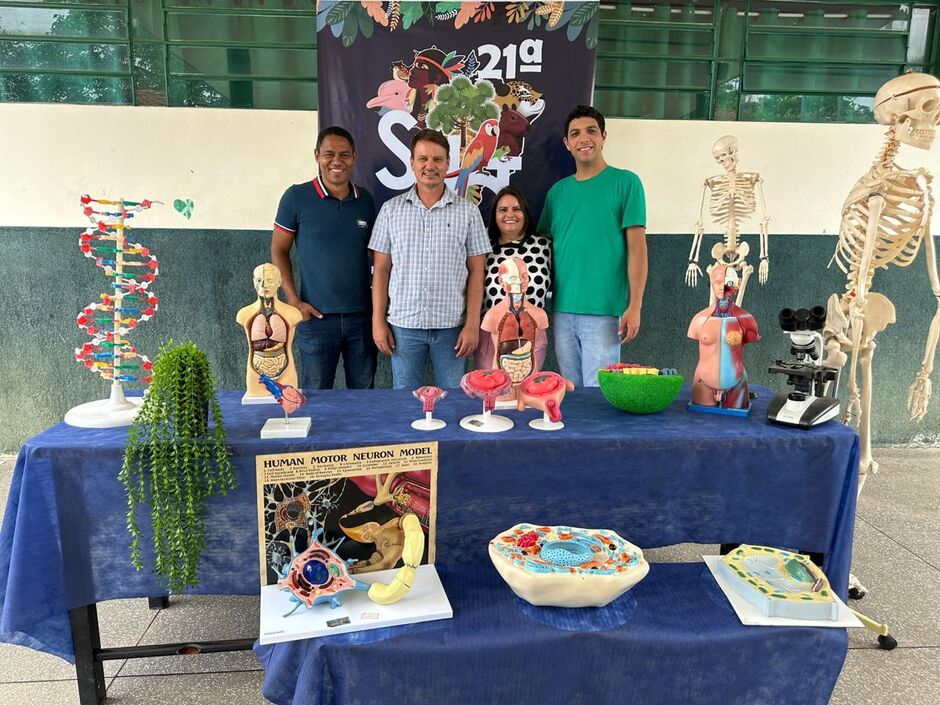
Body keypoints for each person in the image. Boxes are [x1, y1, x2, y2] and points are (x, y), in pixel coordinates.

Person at [369, 128, 491, 389]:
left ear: (448, 163)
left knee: (453, 402)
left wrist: (472, 324)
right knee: (404, 402)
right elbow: (380, 271)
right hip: (403, 326)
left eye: (437, 159)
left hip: (452, 329)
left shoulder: (468, 213)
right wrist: (378, 322)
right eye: (423, 159)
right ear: (412, 163)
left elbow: (477, 272)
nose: (430, 166)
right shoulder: (391, 211)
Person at [538, 105, 648, 387]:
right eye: (575, 134)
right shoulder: (557, 193)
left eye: (591, 131)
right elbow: (541, 249)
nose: (583, 139)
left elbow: (637, 248)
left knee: (599, 396)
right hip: (562, 310)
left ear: (603, 136)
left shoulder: (626, 183)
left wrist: (634, 305)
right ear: (567, 143)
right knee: (570, 393)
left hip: (604, 311)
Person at [271, 126, 377, 390]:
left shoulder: (365, 200)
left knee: (363, 398)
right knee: (316, 397)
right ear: (317, 155)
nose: (336, 161)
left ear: (354, 157)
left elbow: (378, 256)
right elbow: (278, 250)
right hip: (316, 320)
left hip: (362, 318)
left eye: (344, 155)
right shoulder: (296, 197)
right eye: (329, 154)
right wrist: (294, 301)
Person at [474, 186, 552, 371]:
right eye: (503, 210)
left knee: (525, 394)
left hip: (532, 335)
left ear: (525, 213)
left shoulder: (545, 246)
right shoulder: (482, 246)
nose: (510, 214)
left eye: (516, 209)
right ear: (494, 215)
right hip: (491, 335)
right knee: (494, 394)